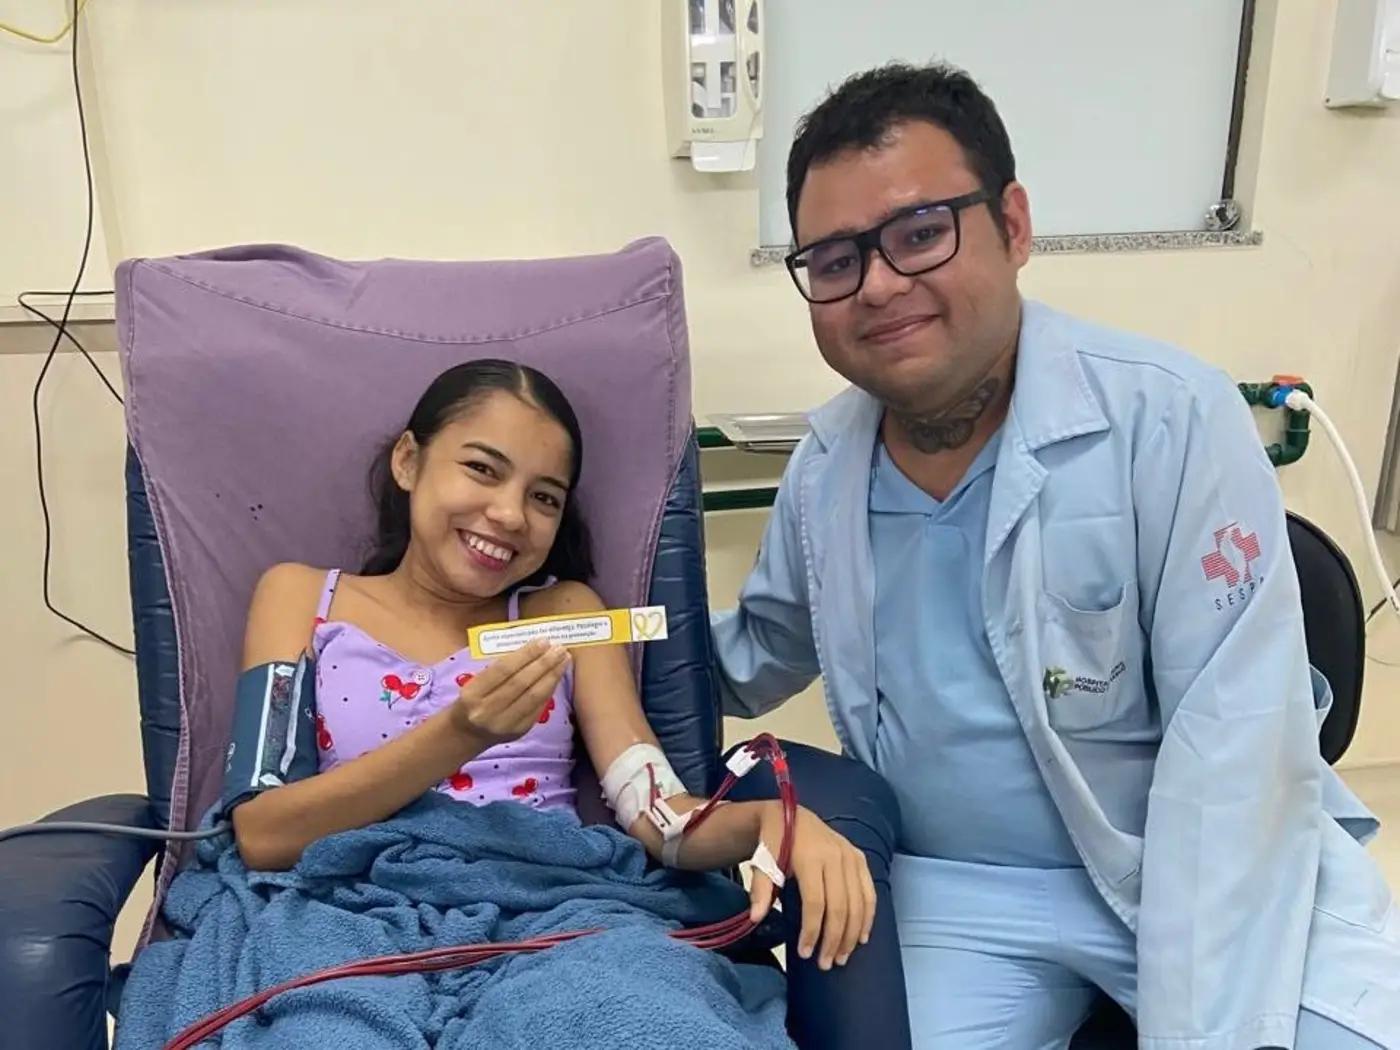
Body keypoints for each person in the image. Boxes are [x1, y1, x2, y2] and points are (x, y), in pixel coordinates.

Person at [712, 61, 1400, 1050]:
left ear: (1014, 225)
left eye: (919, 234)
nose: (878, 285)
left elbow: (1237, 758)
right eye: (834, 260)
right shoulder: (825, 470)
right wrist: (558, 643)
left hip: (1190, 856)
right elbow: (751, 653)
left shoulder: (1171, 419)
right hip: (959, 891)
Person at [226, 357, 874, 952]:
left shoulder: (566, 616)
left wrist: (769, 821)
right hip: (352, 920)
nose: (510, 514)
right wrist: (460, 734)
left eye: (544, 498)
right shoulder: (302, 598)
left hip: (547, 922)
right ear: (408, 461)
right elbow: (261, 834)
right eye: (482, 469)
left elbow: (659, 817)